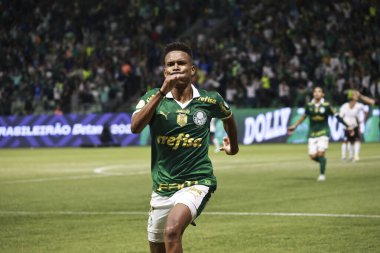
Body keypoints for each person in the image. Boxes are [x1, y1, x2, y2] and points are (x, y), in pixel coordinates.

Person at [131, 42, 239, 253]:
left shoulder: (209, 100)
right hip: (162, 187)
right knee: (158, 246)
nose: (176, 67)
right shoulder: (152, 98)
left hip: (197, 182)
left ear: (192, 70)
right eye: (171, 64)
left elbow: (229, 119)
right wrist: (162, 92)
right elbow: (135, 127)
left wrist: (233, 147)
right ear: (165, 71)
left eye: (181, 63)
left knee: (172, 231)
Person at [288, 86, 352, 182]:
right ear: (313, 94)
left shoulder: (327, 105)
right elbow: (303, 116)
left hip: (324, 132)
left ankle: (322, 174)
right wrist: (295, 126)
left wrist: (347, 126)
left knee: (321, 153)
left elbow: (337, 116)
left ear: (322, 94)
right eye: (315, 91)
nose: (317, 93)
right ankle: (323, 161)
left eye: (319, 91)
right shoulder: (309, 105)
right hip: (312, 133)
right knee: (312, 156)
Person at [339, 91, 368, 162]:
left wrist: (363, 119)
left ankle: (355, 155)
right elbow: (340, 117)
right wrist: (344, 124)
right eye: (354, 96)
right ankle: (344, 156)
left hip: (355, 126)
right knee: (346, 141)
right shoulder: (344, 106)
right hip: (346, 126)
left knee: (355, 140)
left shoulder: (359, 105)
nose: (356, 97)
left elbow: (365, 110)